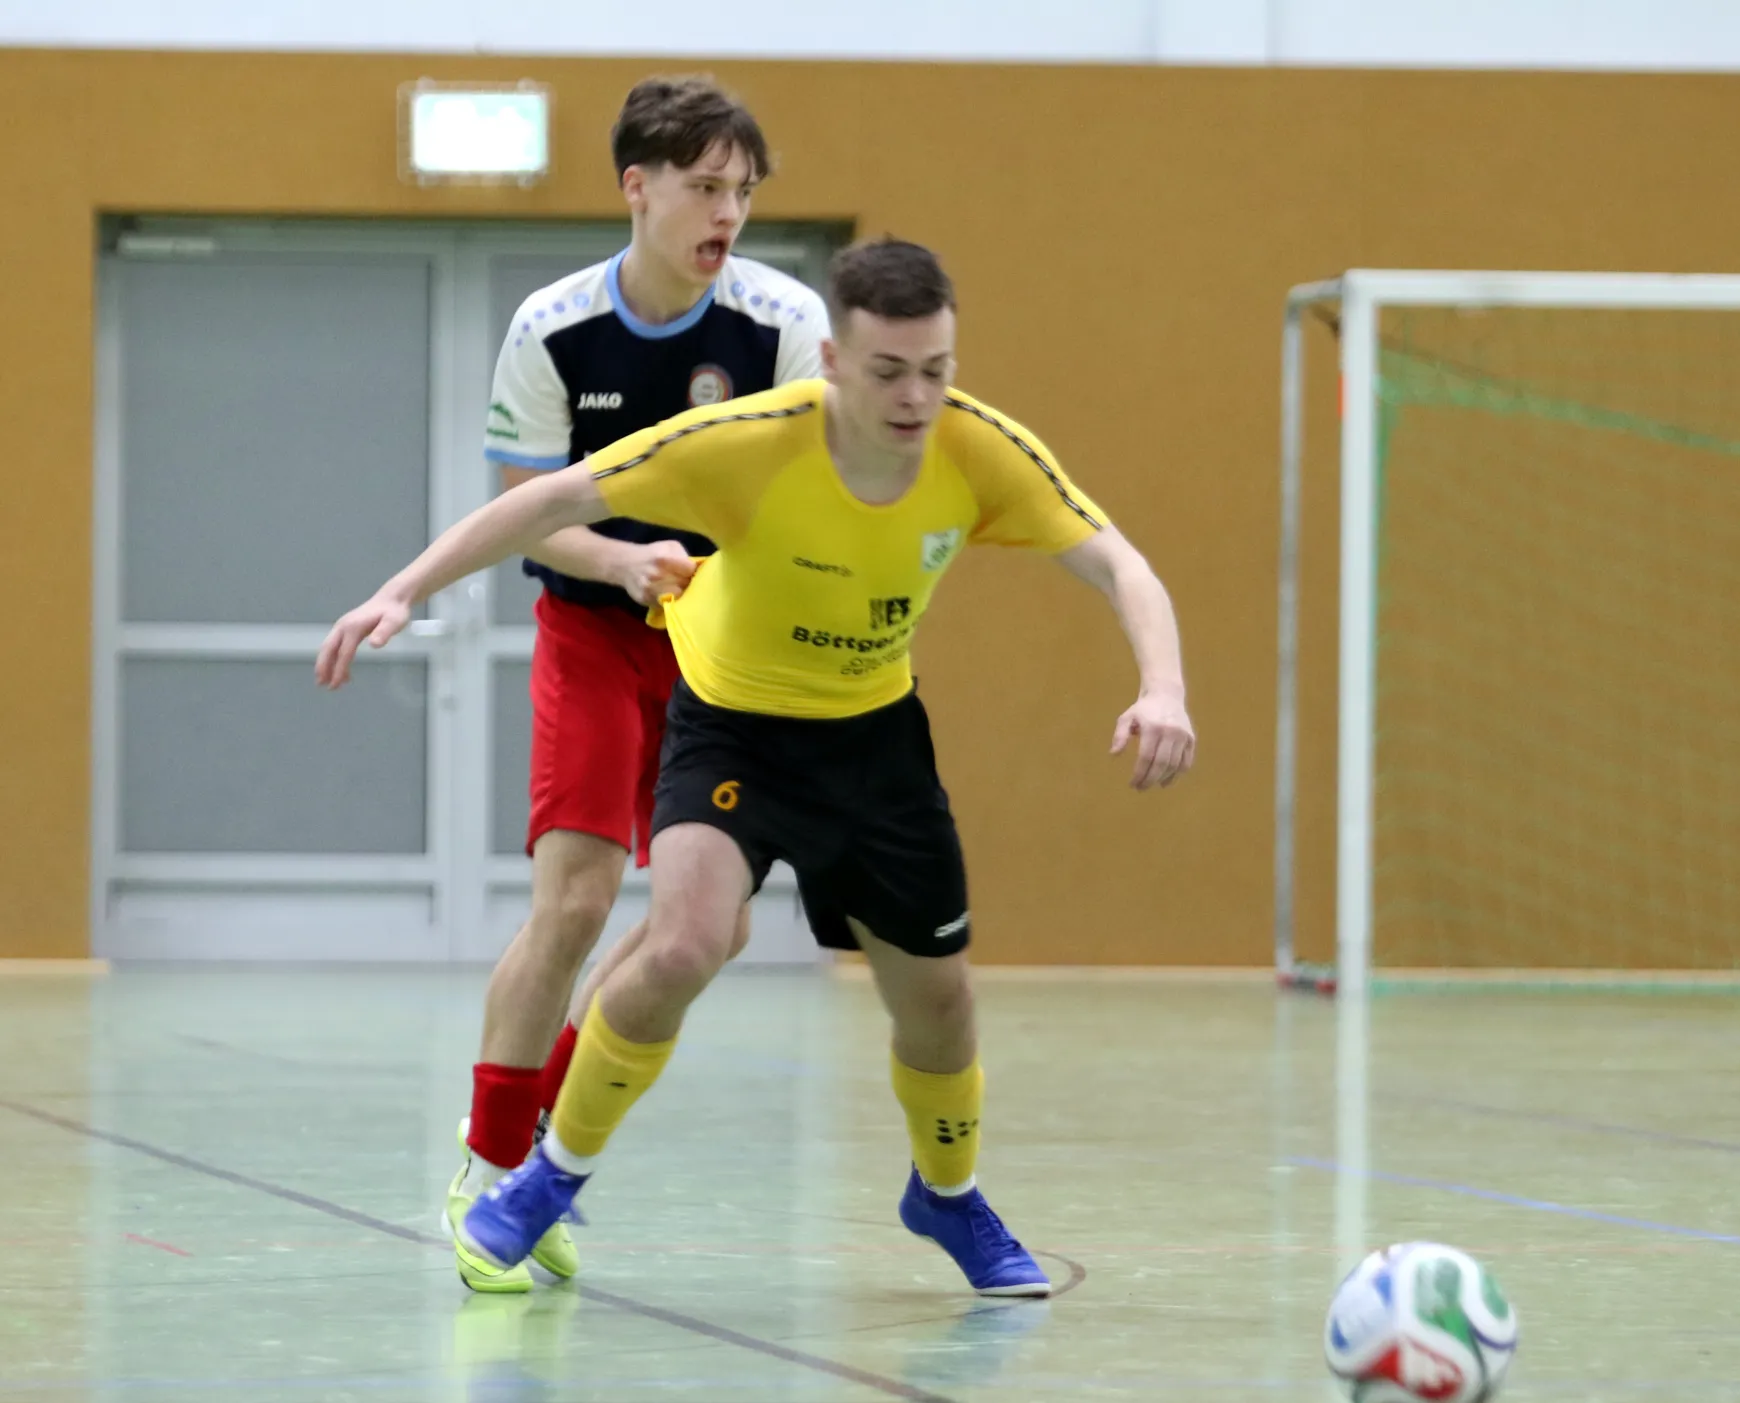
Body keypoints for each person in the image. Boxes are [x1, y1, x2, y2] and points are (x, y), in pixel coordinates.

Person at [319, 238, 1195, 1297]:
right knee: (685, 940)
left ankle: (947, 1194)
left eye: (935, 369)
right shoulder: (742, 444)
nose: (915, 397)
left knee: (939, 1003)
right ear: (832, 359)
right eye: (887, 371)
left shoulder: (980, 450)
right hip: (732, 726)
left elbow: (1120, 562)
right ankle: (547, 1178)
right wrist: (403, 589)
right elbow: (544, 503)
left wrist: (1162, 687)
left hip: (873, 744)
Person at [457, 74, 827, 1294]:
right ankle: (487, 1164)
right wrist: (621, 559)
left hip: (725, 652)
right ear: (636, 186)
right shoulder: (552, 327)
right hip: (593, 635)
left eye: (743, 192)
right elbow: (525, 510)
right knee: (573, 902)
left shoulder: (783, 322)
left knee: (707, 927)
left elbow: (812, 495)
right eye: (705, 187)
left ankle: (541, 1160)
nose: (728, 213)